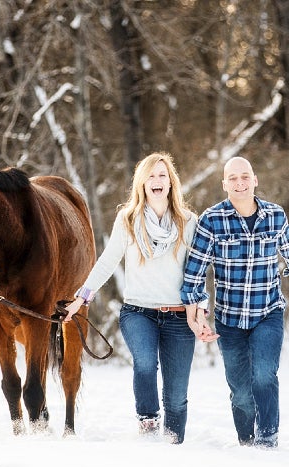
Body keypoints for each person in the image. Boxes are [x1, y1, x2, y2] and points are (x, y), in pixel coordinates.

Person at [181, 156, 289, 448]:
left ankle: (268, 440)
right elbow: (195, 270)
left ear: (255, 180)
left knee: (264, 375)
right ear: (224, 185)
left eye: (245, 176)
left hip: (267, 313)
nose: (240, 183)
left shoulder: (275, 216)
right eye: (232, 178)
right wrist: (196, 313)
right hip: (230, 319)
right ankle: (247, 443)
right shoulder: (212, 220)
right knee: (241, 391)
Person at [63, 152, 206, 444]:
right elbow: (106, 262)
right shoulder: (128, 220)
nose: (157, 180)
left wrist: (200, 311)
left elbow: (199, 271)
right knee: (144, 363)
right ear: (141, 183)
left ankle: (174, 443)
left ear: (171, 182)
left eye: (162, 175)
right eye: (151, 176)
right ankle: (148, 422)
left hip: (179, 316)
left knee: (177, 396)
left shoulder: (189, 221)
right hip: (138, 313)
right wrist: (81, 298)